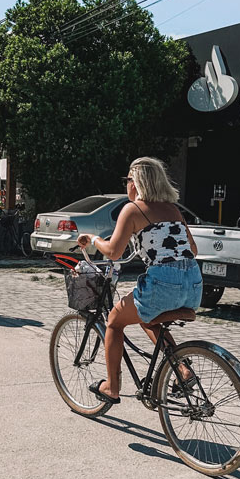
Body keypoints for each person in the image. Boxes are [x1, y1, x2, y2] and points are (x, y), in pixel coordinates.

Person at [76, 156, 202, 404]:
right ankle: (183, 371)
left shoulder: (133, 209)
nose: (127, 184)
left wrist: (91, 239)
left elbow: (112, 251)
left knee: (113, 321)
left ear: (137, 182)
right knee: (148, 317)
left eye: (128, 179)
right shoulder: (174, 210)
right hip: (194, 285)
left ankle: (111, 387)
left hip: (164, 283)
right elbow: (192, 250)